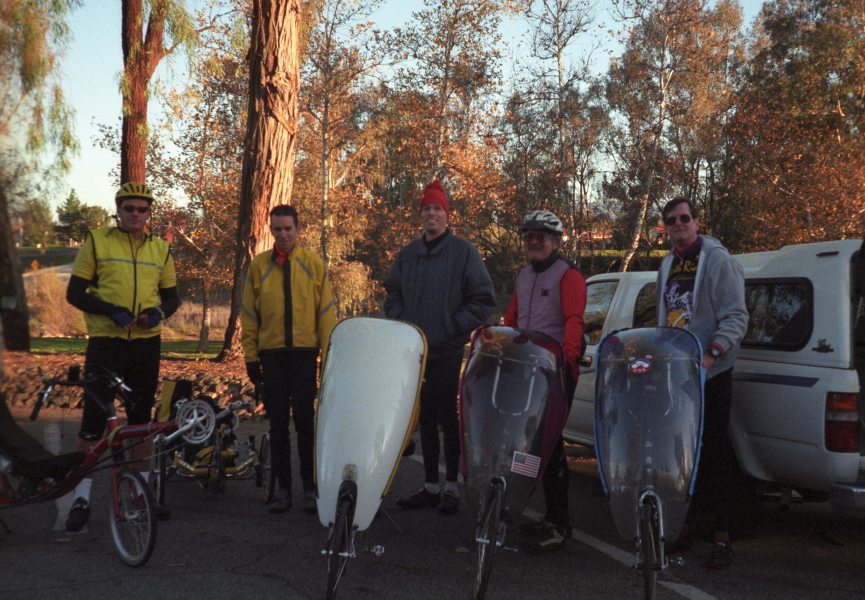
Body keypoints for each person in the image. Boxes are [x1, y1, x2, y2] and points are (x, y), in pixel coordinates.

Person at [64, 182, 180, 532]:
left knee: (140, 421)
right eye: (129, 208)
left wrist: (160, 312)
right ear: (118, 210)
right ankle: (81, 497)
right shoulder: (97, 241)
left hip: (145, 344)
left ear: (149, 214)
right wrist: (110, 309)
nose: (135, 214)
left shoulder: (161, 248)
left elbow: (173, 297)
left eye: (142, 210)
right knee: (93, 419)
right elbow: (75, 293)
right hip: (106, 341)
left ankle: (140, 494)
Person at [384, 180, 496, 516]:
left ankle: (451, 487)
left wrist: (450, 327)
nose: (432, 214)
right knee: (426, 420)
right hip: (416, 355)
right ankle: (430, 485)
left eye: (438, 209)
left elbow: (483, 300)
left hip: (447, 351)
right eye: (427, 209)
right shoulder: (408, 256)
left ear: (447, 216)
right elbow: (392, 296)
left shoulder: (464, 253)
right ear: (420, 216)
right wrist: (407, 325)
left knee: (449, 419)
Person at [657, 197, 749, 569]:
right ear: (665, 227)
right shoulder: (667, 264)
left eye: (684, 218)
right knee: (684, 455)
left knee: (714, 453)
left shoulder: (717, 261)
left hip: (711, 372)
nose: (678, 224)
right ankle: (687, 528)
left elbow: (737, 317)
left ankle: (722, 535)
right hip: (679, 375)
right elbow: (666, 317)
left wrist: (711, 355)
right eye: (671, 220)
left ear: (697, 222)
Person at [242, 205, 336, 514]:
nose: (283, 235)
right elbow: (250, 316)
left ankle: (310, 487)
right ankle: (284, 489)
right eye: (277, 229)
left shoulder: (313, 265)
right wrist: (251, 357)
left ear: (298, 230)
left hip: (305, 354)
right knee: (279, 422)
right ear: (271, 230)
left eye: (288, 229)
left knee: (306, 422)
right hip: (272, 355)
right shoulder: (258, 266)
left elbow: (326, 315)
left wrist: (329, 354)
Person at [502, 210, 586, 553]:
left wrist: (566, 366)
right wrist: (500, 346)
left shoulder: (568, 276)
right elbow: (511, 318)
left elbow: (574, 323)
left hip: (556, 372)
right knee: (522, 442)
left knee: (550, 449)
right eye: (529, 236)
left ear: (556, 241)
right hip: (525, 370)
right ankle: (522, 507)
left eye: (542, 236)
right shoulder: (524, 276)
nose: (534, 241)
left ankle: (560, 523)